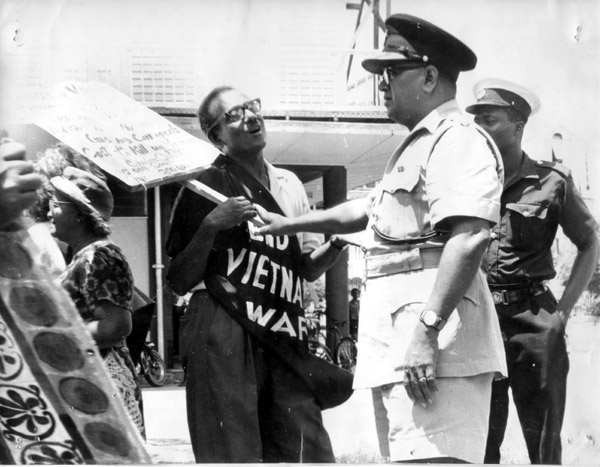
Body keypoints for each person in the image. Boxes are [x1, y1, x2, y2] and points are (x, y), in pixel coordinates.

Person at [257, 13, 507, 463]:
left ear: (430, 76)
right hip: (403, 345)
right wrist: (287, 223)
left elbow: (470, 237)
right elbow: (368, 212)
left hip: (435, 348)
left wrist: (426, 333)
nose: (383, 84)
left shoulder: (456, 139)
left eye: (393, 72)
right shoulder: (420, 144)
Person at [165, 86, 351, 463]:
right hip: (222, 323)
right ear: (216, 135)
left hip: (280, 324)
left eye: (252, 107)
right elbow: (177, 279)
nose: (250, 117)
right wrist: (211, 226)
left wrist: (336, 245)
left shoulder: (289, 184)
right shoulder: (203, 185)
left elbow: (304, 269)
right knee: (232, 449)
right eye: (233, 114)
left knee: (306, 446)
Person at [466, 78, 600, 464]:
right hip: (479, 321)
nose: (480, 128)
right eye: (476, 120)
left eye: (489, 120)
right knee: (477, 443)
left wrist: (563, 312)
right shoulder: (468, 182)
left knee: (543, 445)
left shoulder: (550, 181)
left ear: (518, 126)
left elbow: (590, 240)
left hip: (534, 322)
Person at [48, 167, 145, 438]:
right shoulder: (83, 256)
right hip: (89, 376)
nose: (47, 211)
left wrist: (56, 336)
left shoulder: (99, 255)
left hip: (102, 378)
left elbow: (114, 326)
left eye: (55, 204)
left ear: (80, 214)